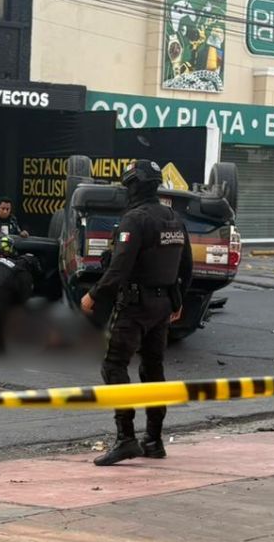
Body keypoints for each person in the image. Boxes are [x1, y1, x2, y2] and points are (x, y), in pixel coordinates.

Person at [81, 160, 192, 466]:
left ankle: (126, 438)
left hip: (134, 306)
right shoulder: (174, 218)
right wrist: (177, 300)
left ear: (133, 186)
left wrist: (93, 295)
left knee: (114, 367)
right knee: (153, 371)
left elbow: (119, 270)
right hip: (162, 308)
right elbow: (186, 268)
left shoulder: (135, 220)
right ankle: (154, 441)